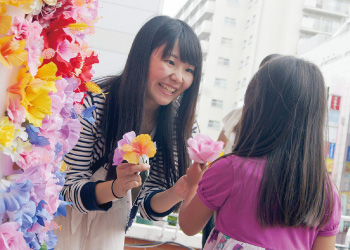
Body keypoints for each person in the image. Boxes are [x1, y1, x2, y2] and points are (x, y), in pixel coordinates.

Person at [54, 15, 202, 250]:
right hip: (63, 225)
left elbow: (147, 207)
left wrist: (178, 191)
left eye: (189, 69)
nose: (179, 77)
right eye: (171, 62)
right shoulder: (95, 103)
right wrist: (116, 188)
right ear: (142, 56)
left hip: (111, 230)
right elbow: (67, 187)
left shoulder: (181, 124)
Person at [179, 56, 341, 250]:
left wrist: (195, 182)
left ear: (257, 108)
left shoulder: (230, 169)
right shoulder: (326, 192)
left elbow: (189, 226)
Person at [201, 53, 283, 248]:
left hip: (252, 197)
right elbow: (217, 152)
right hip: (221, 187)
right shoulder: (236, 116)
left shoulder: (280, 127)